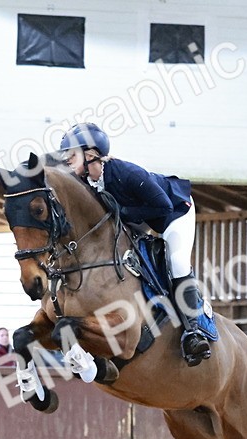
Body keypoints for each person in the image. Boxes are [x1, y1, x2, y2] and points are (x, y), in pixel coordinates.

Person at [57, 122, 211, 366]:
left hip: (175, 212)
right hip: (142, 217)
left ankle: (193, 332)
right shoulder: (90, 183)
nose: (67, 159)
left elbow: (163, 206)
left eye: (72, 154)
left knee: (177, 262)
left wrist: (125, 213)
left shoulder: (127, 173)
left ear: (91, 154)